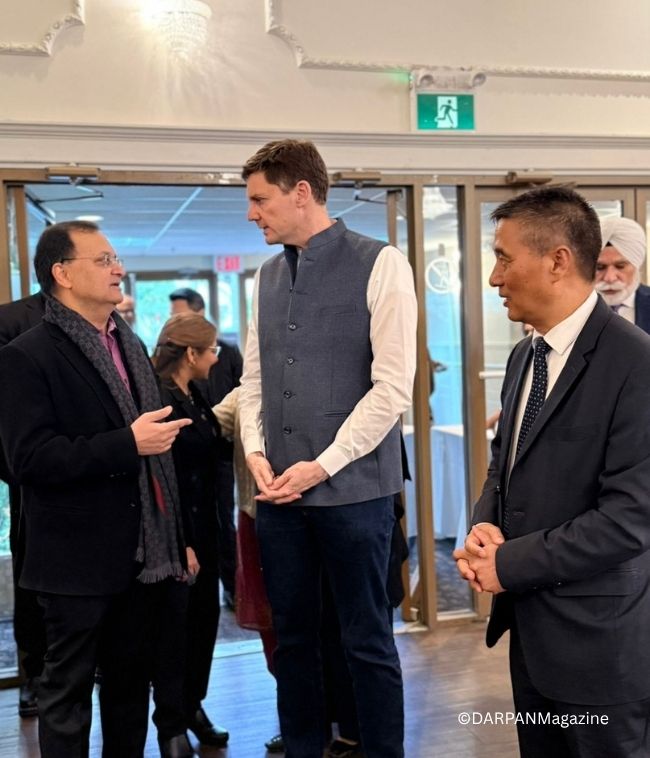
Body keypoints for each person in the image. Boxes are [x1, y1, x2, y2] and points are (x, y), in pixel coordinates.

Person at [453, 187, 650, 758]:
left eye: (503, 258)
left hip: (600, 645)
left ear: (558, 260)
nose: (495, 278)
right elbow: (505, 465)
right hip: (533, 637)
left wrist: (507, 564)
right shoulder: (526, 355)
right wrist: (484, 526)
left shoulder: (636, 363)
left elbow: (629, 519)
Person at [238, 138, 417, 758]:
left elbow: (392, 388)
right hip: (279, 497)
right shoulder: (265, 276)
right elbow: (254, 381)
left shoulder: (382, 262)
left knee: (366, 639)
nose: (252, 214)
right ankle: (304, 748)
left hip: (356, 495)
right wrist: (255, 452)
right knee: (292, 639)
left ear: (301, 193)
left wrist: (324, 465)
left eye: (260, 200)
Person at [0, 220, 193, 758]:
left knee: (130, 689)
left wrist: (178, 538)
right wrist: (126, 443)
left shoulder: (128, 343)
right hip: (74, 562)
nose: (118, 269)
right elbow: (29, 460)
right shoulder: (27, 355)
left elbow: (156, 449)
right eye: (103, 260)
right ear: (62, 273)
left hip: (142, 556)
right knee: (68, 697)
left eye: (116, 259)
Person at [153, 313, 230, 749]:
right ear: (190, 353)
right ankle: (172, 726)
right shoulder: (161, 401)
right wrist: (181, 542)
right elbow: (163, 481)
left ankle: (192, 706)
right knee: (174, 634)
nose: (216, 358)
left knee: (203, 626)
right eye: (211, 350)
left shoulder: (195, 393)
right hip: (178, 537)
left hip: (206, 530)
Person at [168, 287, 243, 608]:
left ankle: (232, 587)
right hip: (191, 484)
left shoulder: (226, 355)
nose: (214, 357)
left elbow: (242, 397)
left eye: (180, 313)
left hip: (216, 458)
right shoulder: (168, 391)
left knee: (224, 520)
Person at [0, 291, 47, 718]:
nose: (116, 270)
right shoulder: (12, 320)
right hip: (35, 479)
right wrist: (19, 472)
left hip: (100, 472)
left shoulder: (111, 327)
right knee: (32, 578)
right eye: (104, 261)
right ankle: (35, 674)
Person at [595, 215, 650, 332]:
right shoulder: (569, 308)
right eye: (599, 267)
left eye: (620, 266)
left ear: (636, 264)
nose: (610, 278)